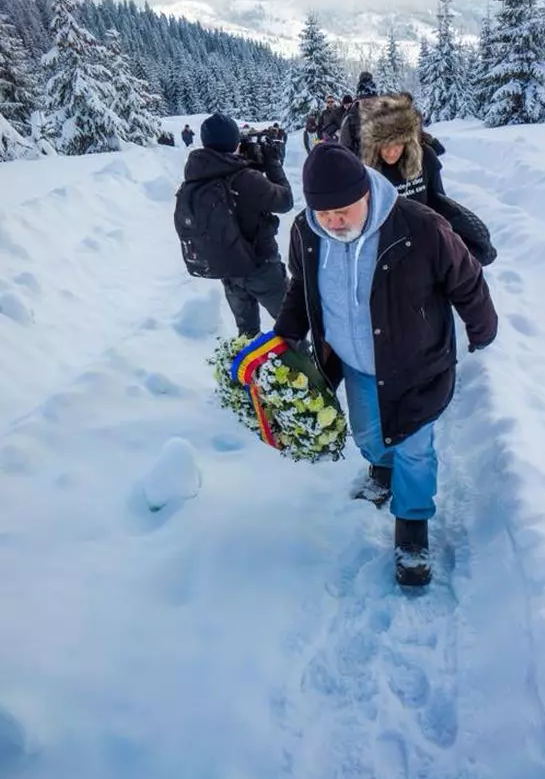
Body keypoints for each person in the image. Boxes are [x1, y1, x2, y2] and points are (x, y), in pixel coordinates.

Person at [274, 142, 497, 587]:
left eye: (343, 210)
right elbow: (301, 286)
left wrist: (481, 327)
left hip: (415, 363)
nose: (334, 221)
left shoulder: (419, 225)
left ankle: (412, 526)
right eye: (325, 213)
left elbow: (466, 278)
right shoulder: (305, 231)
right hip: (354, 363)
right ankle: (380, 465)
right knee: (369, 433)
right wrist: (286, 334)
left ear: (367, 195)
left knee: (415, 446)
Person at [181, 113, 293, 337]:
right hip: (262, 268)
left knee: (247, 333)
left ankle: (250, 369)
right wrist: (272, 164)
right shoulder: (245, 178)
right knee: (293, 326)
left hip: (230, 270)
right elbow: (285, 201)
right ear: (234, 143)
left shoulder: (197, 177)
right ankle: (306, 370)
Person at [362, 93, 444, 207]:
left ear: (407, 141)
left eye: (397, 144)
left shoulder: (426, 156)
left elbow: (441, 202)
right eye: (385, 144)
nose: (391, 152)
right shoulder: (367, 172)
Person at [339, 71, 378, 157]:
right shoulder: (350, 121)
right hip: (361, 167)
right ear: (358, 100)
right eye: (364, 100)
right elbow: (344, 154)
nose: (369, 103)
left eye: (372, 100)